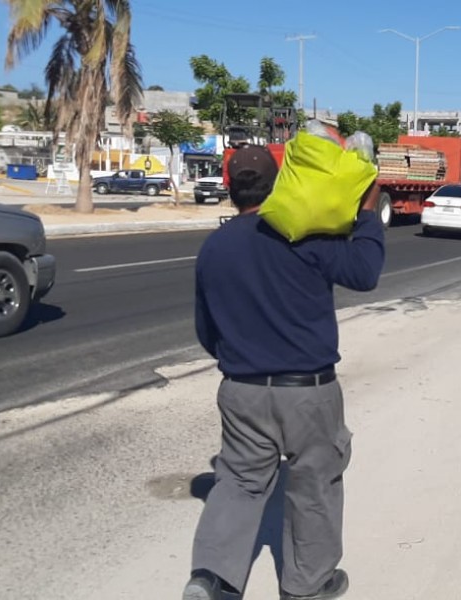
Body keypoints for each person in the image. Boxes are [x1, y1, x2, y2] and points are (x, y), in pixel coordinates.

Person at [184, 145, 385, 600]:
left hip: (241, 390)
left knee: (238, 482)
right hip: (307, 391)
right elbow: (365, 272)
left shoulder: (214, 247)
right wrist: (369, 214)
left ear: (231, 190)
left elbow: (205, 329)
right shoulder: (305, 235)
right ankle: (307, 586)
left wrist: (239, 360)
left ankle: (212, 578)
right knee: (314, 484)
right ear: (279, 182)